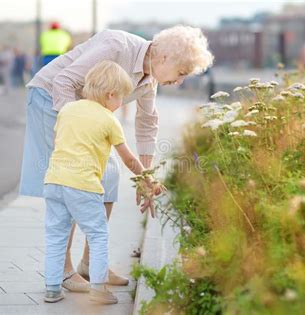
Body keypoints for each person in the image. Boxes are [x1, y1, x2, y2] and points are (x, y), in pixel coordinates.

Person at [19, 26, 214, 292]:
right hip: (51, 99)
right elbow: (62, 82)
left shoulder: (150, 79)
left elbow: (147, 124)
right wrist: (75, 126)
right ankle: (63, 272)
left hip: (85, 114)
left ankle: (90, 265)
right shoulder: (116, 46)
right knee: (74, 181)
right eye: (181, 74)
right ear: (165, 58)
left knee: (108, 177)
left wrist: (146, 177)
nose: (180, 81)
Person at [43, 61, 159, 304]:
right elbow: (128, 159)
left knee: (56, 235)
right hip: (83, 184)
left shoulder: (68, 110)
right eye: (121, 99)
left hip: (54, 181)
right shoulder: (109, 120)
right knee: (97, 234)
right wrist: (147, 177)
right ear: (110, 95)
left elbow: (57, 143)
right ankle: (97, 290)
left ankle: (53, 288)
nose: (120, 105)